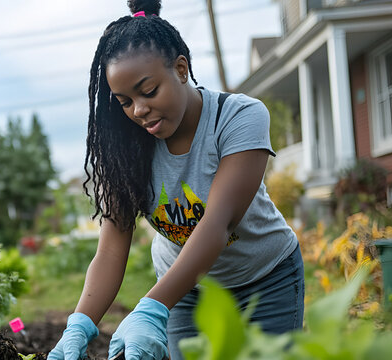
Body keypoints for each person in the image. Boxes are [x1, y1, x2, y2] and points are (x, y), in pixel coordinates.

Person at [48, 1, 304, 359]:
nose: (138, 110)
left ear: (181, 69)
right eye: (124, 101)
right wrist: (80, 323)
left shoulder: (238, 117)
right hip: (185, 289)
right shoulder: (125, 154)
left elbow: (218, 222)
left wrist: (150, 307)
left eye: (148, 91)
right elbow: (110, 248)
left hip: (265, 279)